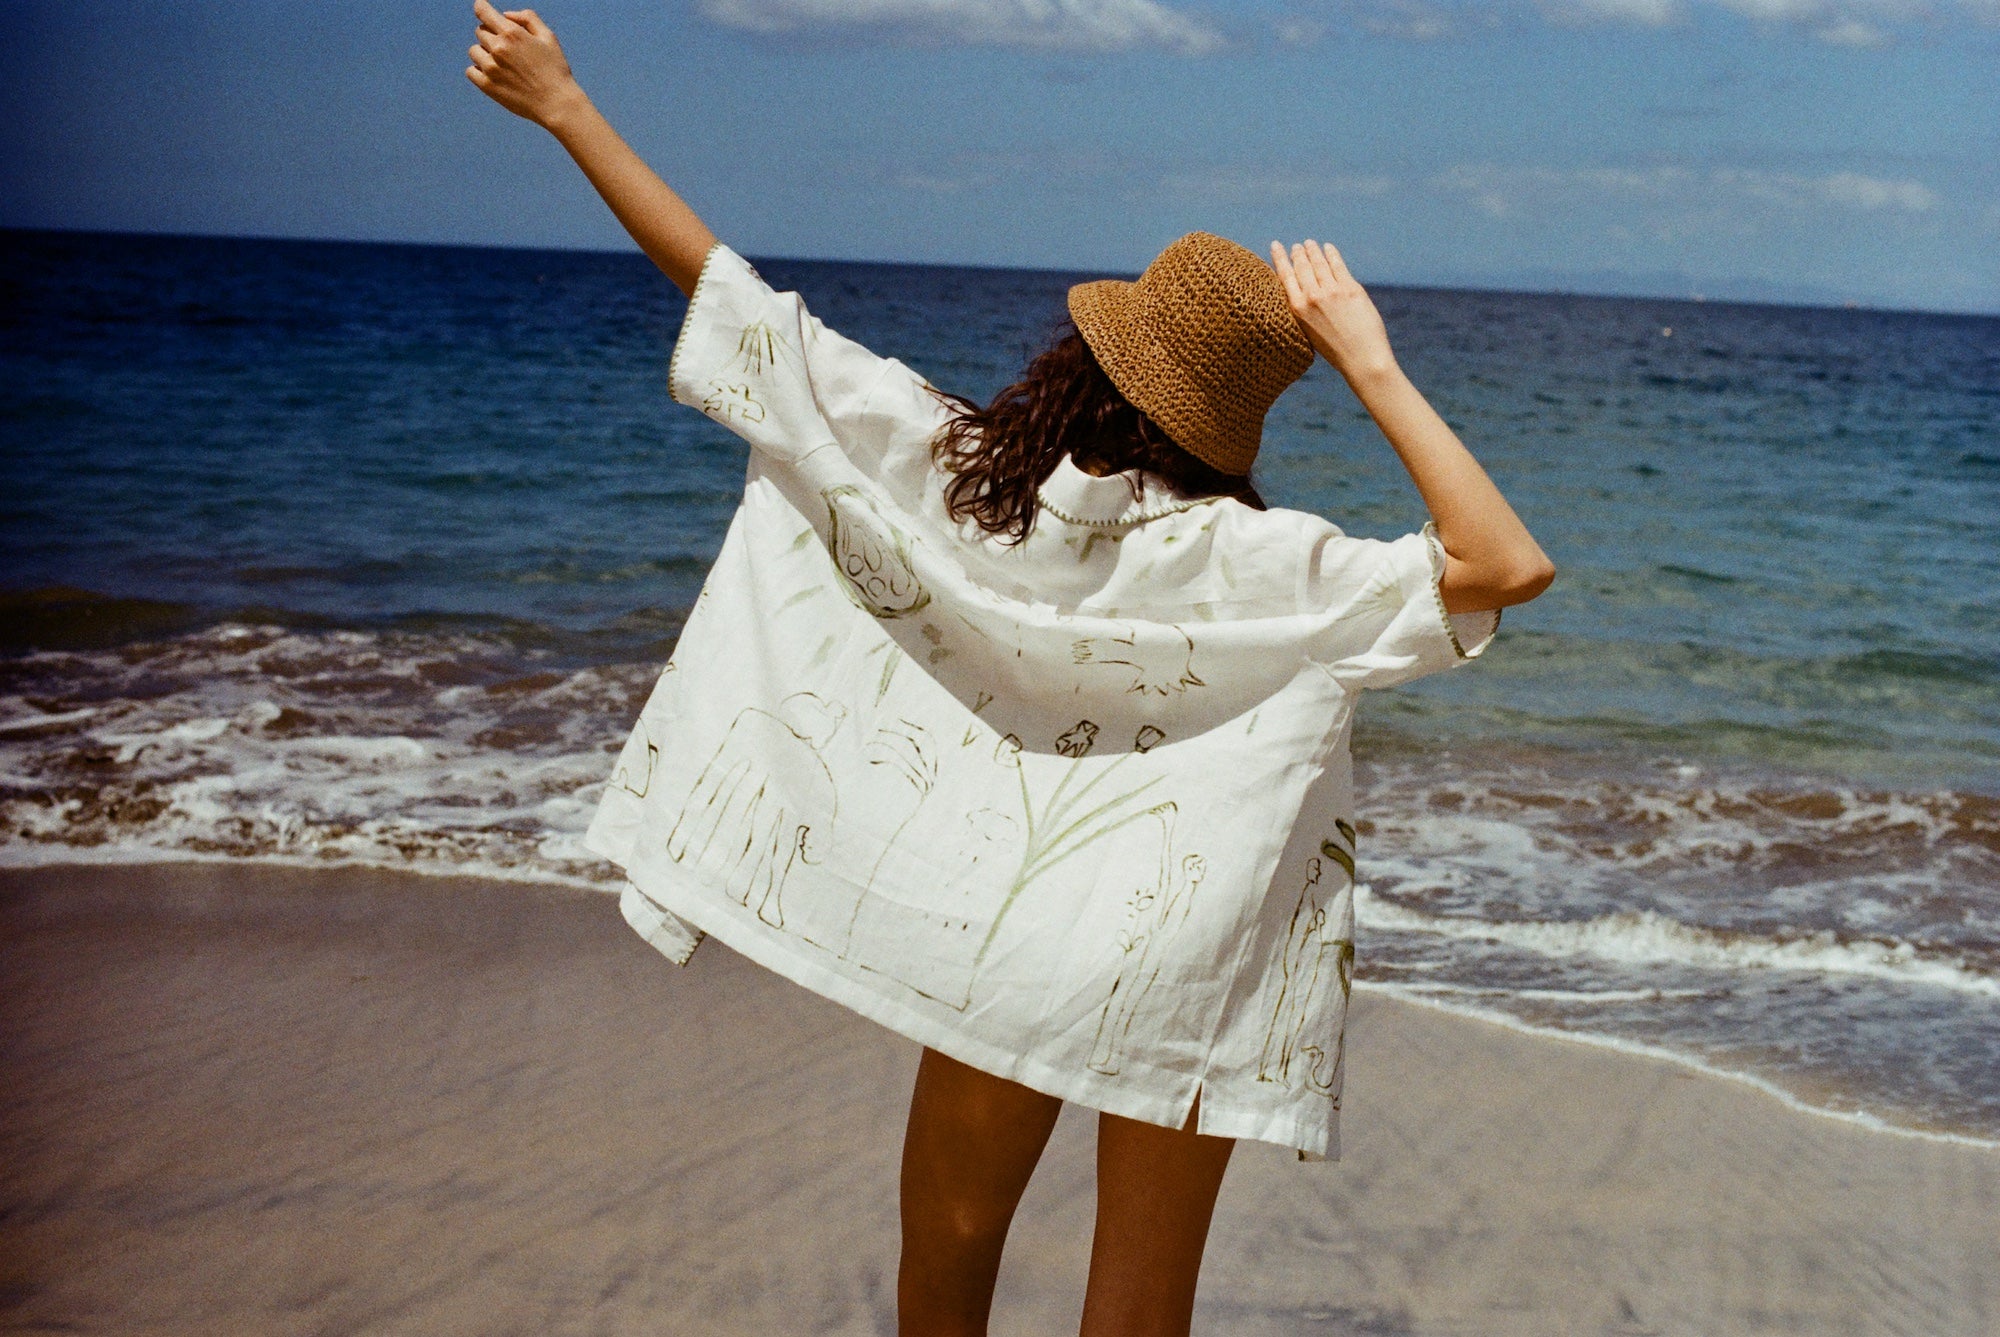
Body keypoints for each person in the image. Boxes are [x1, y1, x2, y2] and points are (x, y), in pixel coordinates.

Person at [466, 6, 1554, 1335]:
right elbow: (1503, 561)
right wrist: (1372, 363)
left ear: (1088, 355)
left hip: (1011, 933)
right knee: (1140, 1304)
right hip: (1183, 940)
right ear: (1234, 420)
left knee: (948, 1253)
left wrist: (566, 106)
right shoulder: (1259, 564)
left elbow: (732, 304)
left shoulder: (960, 472)